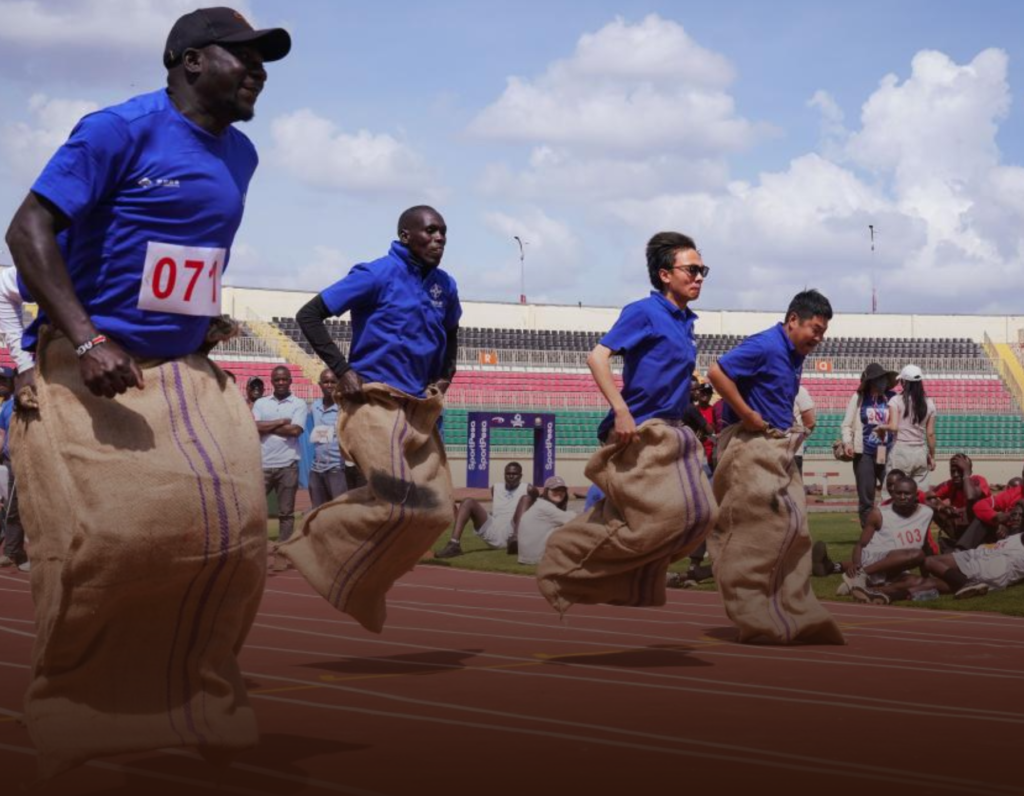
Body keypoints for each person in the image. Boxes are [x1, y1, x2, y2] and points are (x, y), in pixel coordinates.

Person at [1, 7, 290, 778]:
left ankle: (201, 696)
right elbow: (26, 229)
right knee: (113, 546)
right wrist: (87, 338)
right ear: (191, 62)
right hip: (92, 363)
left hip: (182, 371)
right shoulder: (116, 129)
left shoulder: (243, 157)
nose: (259, 70)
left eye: (265, 59)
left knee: (237, 539)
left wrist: (200, 324)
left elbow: (187, 258)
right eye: (244, 56)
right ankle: (74, 707)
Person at [285, 206, 460, 631]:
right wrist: (342, 370)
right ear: (405, 235)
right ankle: (313, 533)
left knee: (436, 513)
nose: (439, 238)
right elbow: (308, 315)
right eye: (430, 231)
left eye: (444, 232)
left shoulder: (445, 286)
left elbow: (452, 333)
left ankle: (363, 582)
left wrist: (446, 373)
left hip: (417, 409)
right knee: (400, 500)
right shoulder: (376, 274)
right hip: (374, 403)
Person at [536, 232, 717, 615]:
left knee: (701, 513)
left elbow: (671, 384)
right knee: (664, 516)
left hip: (669, 431)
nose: (700, 276)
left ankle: (628, 576)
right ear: (666, 274)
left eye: (704, 270)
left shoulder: (686, 322)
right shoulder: (643, 312)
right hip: (636, 431)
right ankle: (563, 557)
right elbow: (597, 358)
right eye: (693, 269)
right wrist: (621, 411)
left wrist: (697, 423)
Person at [707, 289, 844, 645]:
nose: (819, 338)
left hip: (779, 445)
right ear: (792, 320)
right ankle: (755, 616)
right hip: (751, 445)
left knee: (796, 529)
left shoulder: (794, 354)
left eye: (823, 332)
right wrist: (749, 413)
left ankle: (795, 611)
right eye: (815, 329)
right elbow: (716, 372)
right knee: (757, 533)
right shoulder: (766, 345)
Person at [841, 476, 934, 602]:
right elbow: (861, 544)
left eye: (907, 493)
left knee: (917, 581)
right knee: (916, 554)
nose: (902, 497)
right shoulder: (879, 514)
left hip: (896, 567)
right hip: (874, 560)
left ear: (915, 494)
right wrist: (857, 566)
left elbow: (925, 544)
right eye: (898, 493)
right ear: (893, 494)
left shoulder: (926, 513)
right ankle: (859, 577)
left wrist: (927, 574)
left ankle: (872, 591)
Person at [253, 365, 307, 560]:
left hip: (288, 465)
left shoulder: (299, 403)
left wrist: (267, 426)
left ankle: (283, 553)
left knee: (286, 513)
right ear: (272, 381)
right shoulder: (261, 403)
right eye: (277, 379)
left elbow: (295, 431)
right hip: (263, 465)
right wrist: (281, 421)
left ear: (291, 381)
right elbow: (254, 427)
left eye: (284, 379)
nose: (281, 382)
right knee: (255, 510)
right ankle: (256, 547)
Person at [922, 499, 1024, 599]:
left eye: (1021, 515)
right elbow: (979, 507)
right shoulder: (1005, 531)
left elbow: (971, 497)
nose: (1016, 518)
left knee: (929, 566)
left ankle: (966, 583)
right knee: (927, 574)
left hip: (988, 570)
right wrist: (997, 523)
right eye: (1014, 514)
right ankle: (965, 583)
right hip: (977, 557)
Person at [841, 363, 897, 528]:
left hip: (888, 451)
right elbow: (846, 424)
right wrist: (847, 442)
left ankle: (892, 530)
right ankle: (868, 535)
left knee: (892, 491)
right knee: (866, 496)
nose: (881, 383)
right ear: (870, 381)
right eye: (877, 379)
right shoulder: (858, 398)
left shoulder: (893, 398)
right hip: (864, 452)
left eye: (883, 379)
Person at [436, 461, 532, 558]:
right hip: (493, 528)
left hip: (512, 529)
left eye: (514, 474)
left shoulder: (528, 488)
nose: (511, 476)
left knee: (526, 498)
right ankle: (454, 544)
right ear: (504, 474)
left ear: (520, 475)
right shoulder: (496, 488)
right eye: (508, 473)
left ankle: (515, 541)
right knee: (467, 501)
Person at [880, 364, 936, 489]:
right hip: (921, 451)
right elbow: (930, 434)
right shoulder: (930, 403)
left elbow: (893, 427)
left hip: (901, 450)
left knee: (894, 491)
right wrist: (932, 457)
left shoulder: (896, 400)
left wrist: (881, 428)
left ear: (904, 382)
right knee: (920, 493)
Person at [926, 453, 991, 550]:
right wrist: (942, 506)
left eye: (960, 471)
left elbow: (971, 497)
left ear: (969, 471)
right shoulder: (950, 484)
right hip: (959, 527)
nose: (955, 475)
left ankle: (967, 544)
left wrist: (965, 474)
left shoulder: (978, 480)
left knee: (972, 504)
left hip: (979, 528)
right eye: (953, 471)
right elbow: (927, 497)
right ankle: (956, 542)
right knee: (933, 506)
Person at [307, 368, 348, 509]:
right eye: (326, 382)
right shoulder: (315, 406)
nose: (329, 385)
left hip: (336, 467)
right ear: (320, 384)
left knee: (338, 511)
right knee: (318, 511)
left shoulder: (344, 407)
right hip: (316, 467)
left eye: (333, 382)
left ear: (338, 384)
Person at [515, 476, 577, 565]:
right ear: (546, 491)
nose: (559, 493)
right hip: (536, 559)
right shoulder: (545, 507)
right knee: (571, 529)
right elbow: (575, 520)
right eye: (555, 490)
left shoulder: (540, 504)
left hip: (527, 557)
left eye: (562, 490)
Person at [793, 384, 816, 476]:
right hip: (770, 451)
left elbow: (810, 422)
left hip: (793, 453)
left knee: (793, 488)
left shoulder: (799, 390)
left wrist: (797, 440)